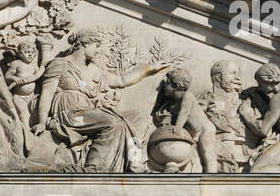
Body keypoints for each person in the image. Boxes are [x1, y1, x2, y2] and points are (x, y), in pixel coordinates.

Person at [37, 30, 177, 172]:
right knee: (112, 122)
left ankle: (135, 161)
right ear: (84, 44)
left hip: (89, 113)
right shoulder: (60, 64)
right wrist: (42, 121)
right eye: (96, 46)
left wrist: (149, 69)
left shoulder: (95, 70)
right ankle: (94, 168)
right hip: (70, 115)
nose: (97, 51)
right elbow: (47, 92)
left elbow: (121, 80)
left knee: (137, 119)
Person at [150, 67, 219, 172]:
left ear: (175, 86)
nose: (164, 86)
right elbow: (169, 117)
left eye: (167, 83)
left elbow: (184, 112)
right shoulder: (172, 104)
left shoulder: (188, 96)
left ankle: (211, 178)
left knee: (208, 154)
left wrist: (178, 127)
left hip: (205, 130)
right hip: (193, 133)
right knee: (198, 159)